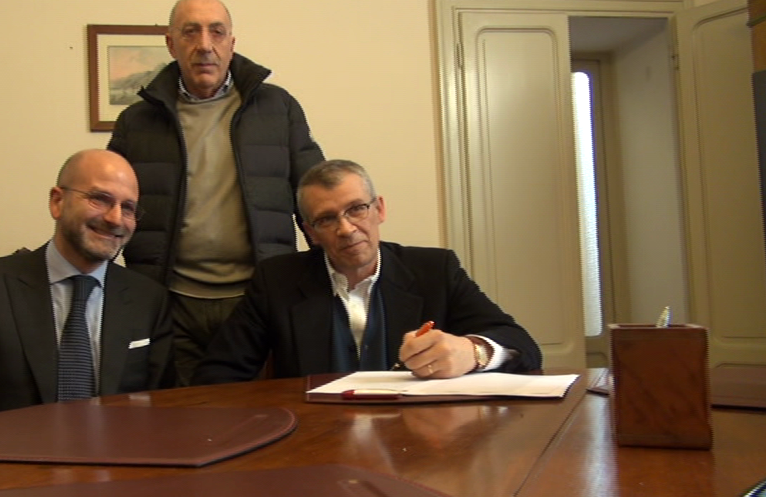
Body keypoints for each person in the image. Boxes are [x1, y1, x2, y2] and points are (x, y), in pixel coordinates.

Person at [107, 0, 324, 386]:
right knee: (184, 411)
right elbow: (110, 208)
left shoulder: (278, 108)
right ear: (171, 44)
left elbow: (316, 196)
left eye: (216, 32)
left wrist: (331, 280)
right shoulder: (137, 122)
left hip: (258, 297)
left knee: (261, 409)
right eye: (190, 32)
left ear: (231, 42)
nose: (204, 44)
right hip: (171, 301)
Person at [191, 159, 541, 384]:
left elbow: (523, 346)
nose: (346, 229)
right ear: (310, 233)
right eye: (327, 219)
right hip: (313, 443)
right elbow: (218, 374)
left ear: (380, 209)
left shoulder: (435, 270)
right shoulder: (277, 281)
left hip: (418, 441)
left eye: (356, 209)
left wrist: (473, 352)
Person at [0, 150, 174, 428]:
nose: (115, 218)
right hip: (10, 455)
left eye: (128, 208)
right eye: (100, 199)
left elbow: (164, 415)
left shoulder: (149, 299)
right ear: (57, 202)